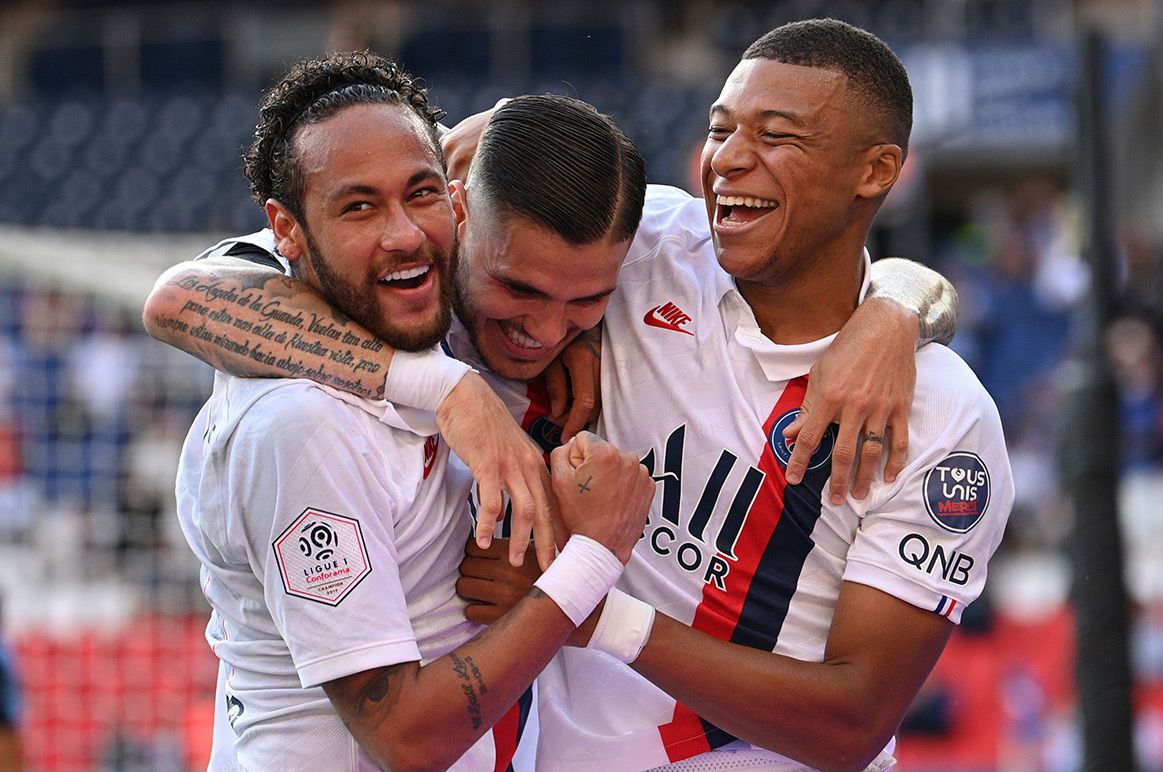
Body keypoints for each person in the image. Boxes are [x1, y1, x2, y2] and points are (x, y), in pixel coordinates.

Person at [144, 47, 963, 772]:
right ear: (467, 213)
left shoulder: (638, 244)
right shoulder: (310, 386)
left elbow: (839, 267)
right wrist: (455, 394)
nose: (540, 329)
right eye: (518, 290)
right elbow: (179, 300)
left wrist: (895, 306)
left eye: (586, 303)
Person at [461, 19, 1014, 771]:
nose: (727, 160)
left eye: (777, 136)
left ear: (876, 169)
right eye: (720, 129)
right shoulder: (648, 238)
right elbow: (441, 165)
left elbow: (852, 722)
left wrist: (586, 606)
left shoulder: (943, 419)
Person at [165, 51, 655, 771]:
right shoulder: (304, 425)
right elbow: (405, 736)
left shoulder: (428, 314)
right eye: (358, 207)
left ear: (455, 197)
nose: (401, 233)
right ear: (289, 230)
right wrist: (590, 559)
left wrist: (891, 303)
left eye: (419, 193)